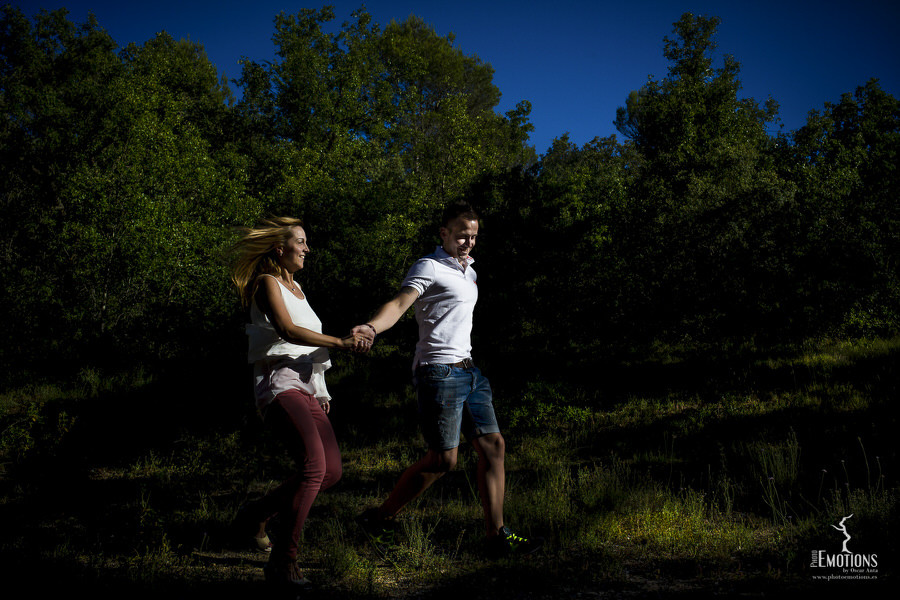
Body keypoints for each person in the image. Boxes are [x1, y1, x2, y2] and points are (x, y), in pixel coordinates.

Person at [353, 202, 542, 557]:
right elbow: (400, 303)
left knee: (494, 447)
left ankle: (496, 535)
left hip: (470, 371)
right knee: (443, 460)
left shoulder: (469, 272)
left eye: (474, 236)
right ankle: (378, 518)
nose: (468, 242)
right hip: (438, 371)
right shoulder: (429, 266)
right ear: (444, 233)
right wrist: (372, 327)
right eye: (461, 235)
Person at [230, 216, 369, 589]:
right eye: (301, 242)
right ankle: (283, 561)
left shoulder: (299, 289)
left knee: (331, 471)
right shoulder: (267, 282)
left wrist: (321, 390)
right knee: (313, 466)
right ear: (281, 249)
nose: (307, 248)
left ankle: (257, 514)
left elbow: (308, 346)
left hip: (307, 387)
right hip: (279, 383)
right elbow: (287, 331)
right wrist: (339, 342)